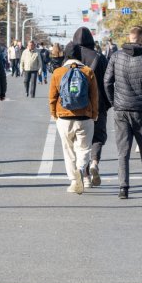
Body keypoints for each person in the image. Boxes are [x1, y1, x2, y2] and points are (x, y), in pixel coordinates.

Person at [103, 26, 142, 200]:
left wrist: (114, 102)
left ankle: (123, 188)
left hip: (121, 110)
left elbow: (107, 82)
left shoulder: (115, 56)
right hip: (141, 110)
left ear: (129, 37)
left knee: (123, 151)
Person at [48, 43, 98, 194]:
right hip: (85, 116)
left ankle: (73, 181)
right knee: (84, 148)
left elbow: (52, 96)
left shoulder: (58, 72)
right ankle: (81, 169)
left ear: (65, 55)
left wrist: (54, 114)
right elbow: (94, 96)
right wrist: (94, 114)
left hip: (64, 116)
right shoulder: (88, 71)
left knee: (68, 149)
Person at [72, 27, 110, 187]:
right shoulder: (99, 58)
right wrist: (108, 102)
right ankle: (94, 162)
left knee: (81, 141)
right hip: (98, 103)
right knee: (98, 137)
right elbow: (108, 80)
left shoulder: (71, 58)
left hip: (75, 105)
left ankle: (85, 175)